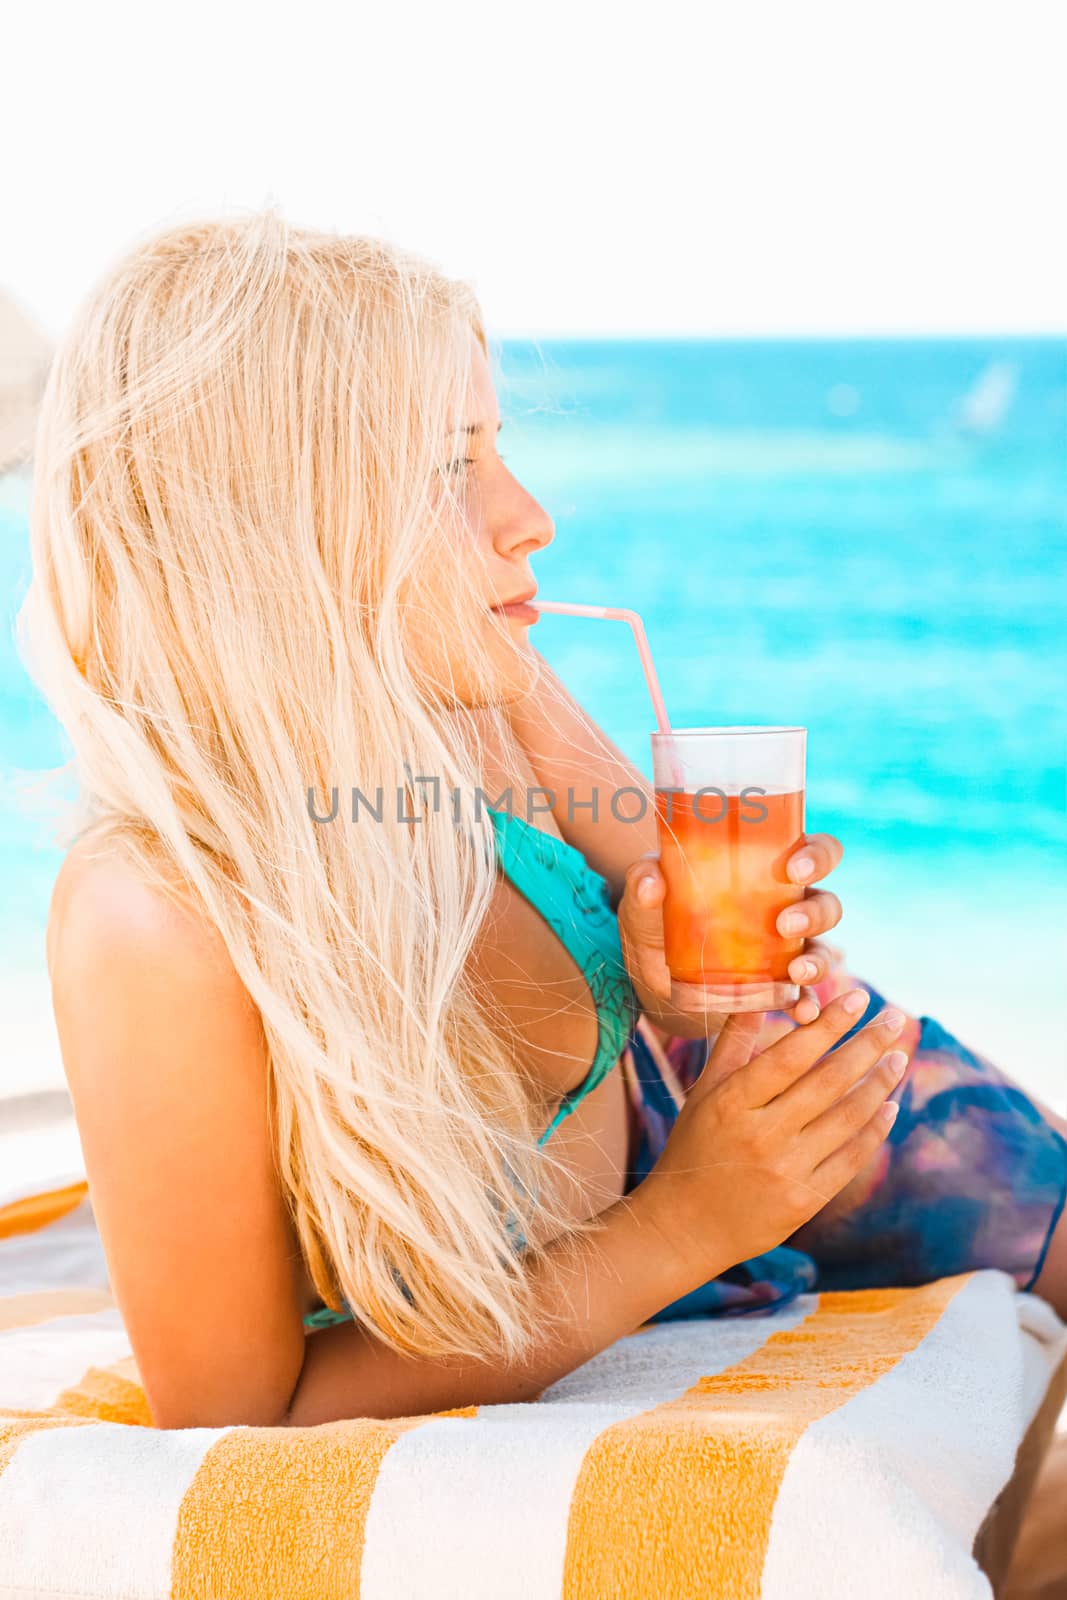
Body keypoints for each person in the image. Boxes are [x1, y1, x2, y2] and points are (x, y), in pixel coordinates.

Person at [23, 210, 1066, 1430]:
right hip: (664, 1230)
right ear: (267, 529)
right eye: (445, 467)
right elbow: (237, 1409)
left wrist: (676, 962)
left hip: (710, 1113)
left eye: (496, 445)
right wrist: (686, 1220)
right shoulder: (154, 922)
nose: (531, 515)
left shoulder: (492, 690)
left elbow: (668, 889)